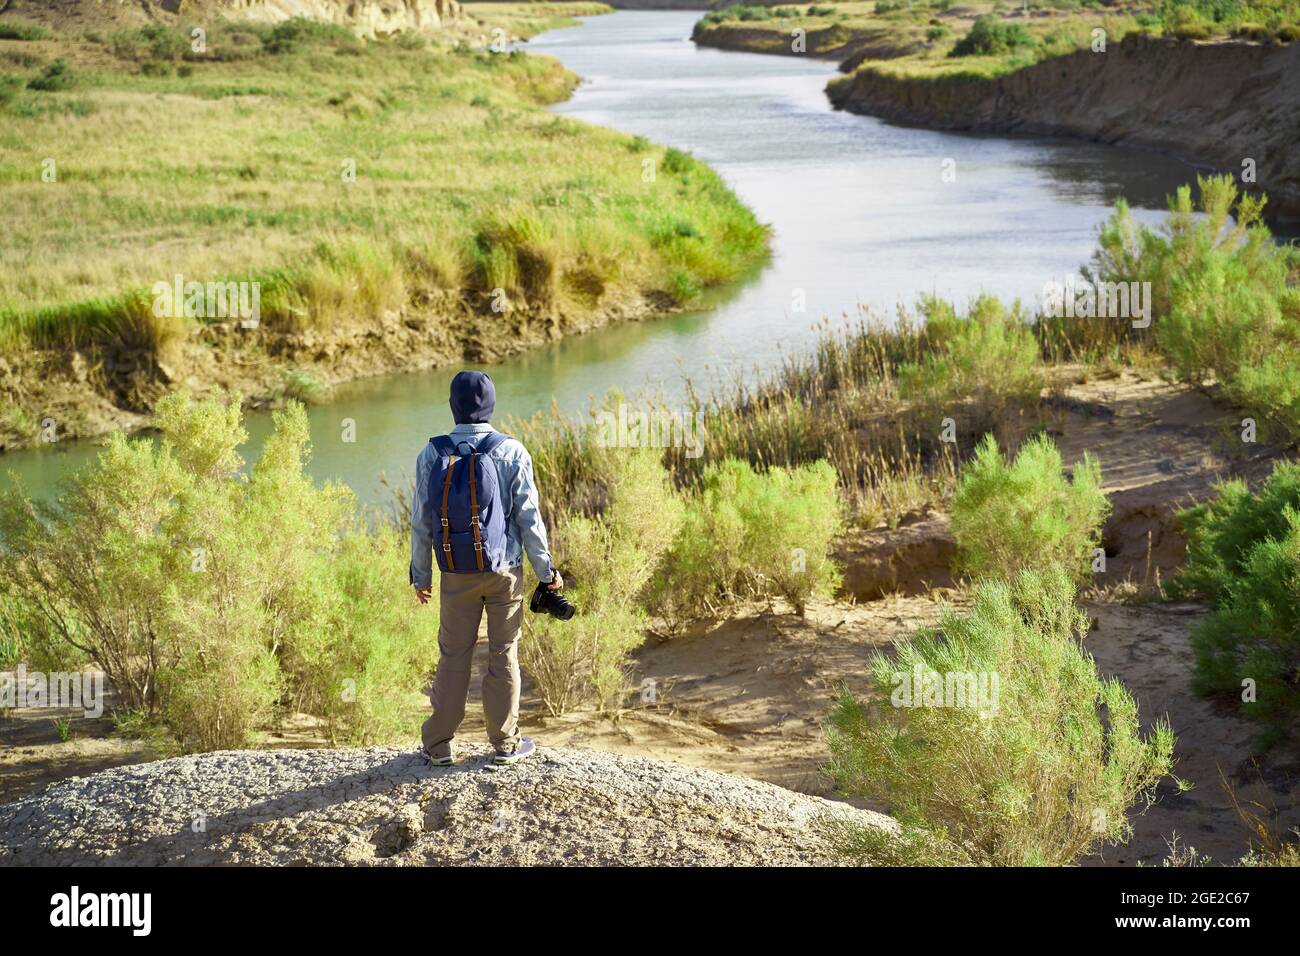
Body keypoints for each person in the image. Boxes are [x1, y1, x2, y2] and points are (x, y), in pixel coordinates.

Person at [410, 370, 563, 766]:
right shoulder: (512, 451)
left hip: (455, 574)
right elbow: (530, 519)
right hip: (504, 572)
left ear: (453, 406)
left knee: (453, 655)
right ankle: (505, 744)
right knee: (503, 653)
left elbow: (422, 522)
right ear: (491, 405)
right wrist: (547, 572)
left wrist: (421, 576)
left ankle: (440, 745)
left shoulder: (431, 453)